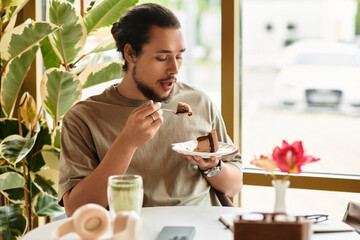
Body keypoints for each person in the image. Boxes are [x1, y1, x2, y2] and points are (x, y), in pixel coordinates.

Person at [58, 3, 243, 217]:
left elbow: (235, 186)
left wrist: (213, 166)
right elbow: (77, 209)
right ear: (130, 54)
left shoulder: (198, 102)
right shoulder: (84, 117)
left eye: (179, 56)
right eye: (162, 58)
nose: (174, 69)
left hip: (201, 230)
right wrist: (127, 142)